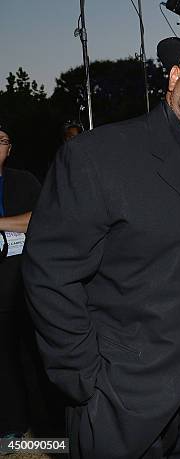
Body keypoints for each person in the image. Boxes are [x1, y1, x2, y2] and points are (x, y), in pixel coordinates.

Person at [22, 19, 180, 459]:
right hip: (123, 402)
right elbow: (49, 276)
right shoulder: (99, 156)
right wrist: (84, 380)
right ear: (175, 76)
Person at [0, 124, 41, 440]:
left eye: (2, 141)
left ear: (10, 149)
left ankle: (43, 427)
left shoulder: (23, 180)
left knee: (30, 353)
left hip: (23, 275)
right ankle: (13, 426)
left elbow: (40, 219)